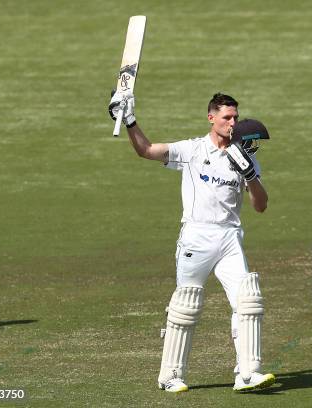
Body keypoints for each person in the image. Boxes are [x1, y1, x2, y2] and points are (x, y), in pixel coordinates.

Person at [108, 91, 275, 393]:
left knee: (248, 301)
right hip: (196, 237)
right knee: (185, 306)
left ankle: (248, 373)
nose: (232, 123)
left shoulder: (245, 157)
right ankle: (170, 376)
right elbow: (145, 150)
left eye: (235, 117)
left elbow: (261, 206)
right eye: (226, 117)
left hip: (229, 238)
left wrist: (249, 174)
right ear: (211, 118)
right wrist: (130, 120)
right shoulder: (193, 150)